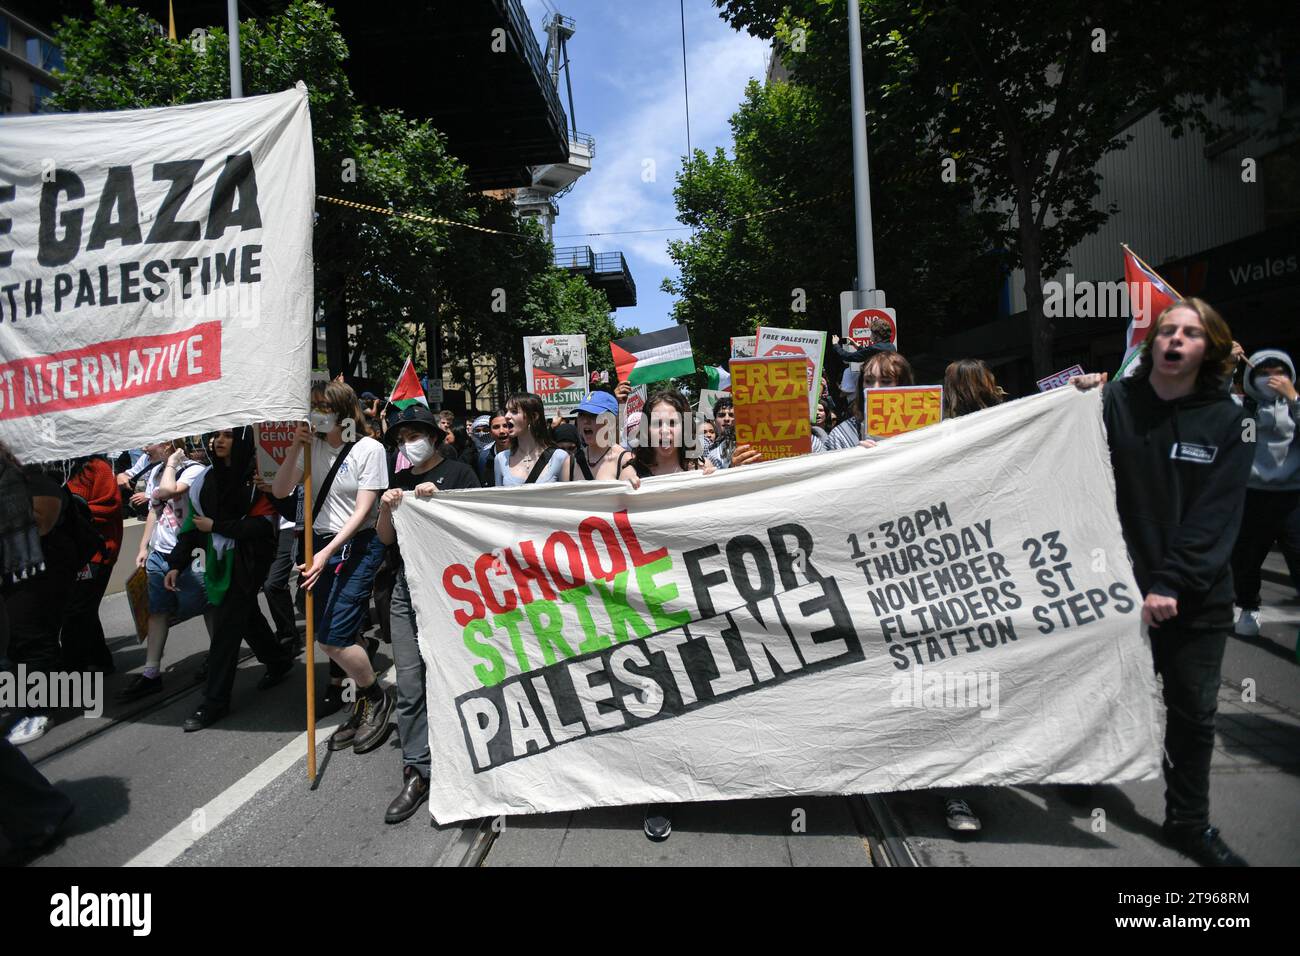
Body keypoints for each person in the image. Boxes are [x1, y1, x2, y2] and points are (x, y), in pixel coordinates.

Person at [1073, 297, 1252, 866]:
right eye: (1167, 330)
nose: (1175, 340)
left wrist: (1172, 584)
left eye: (1191, 333)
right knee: (1101, 693)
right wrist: (1073, 403)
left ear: (1211, 349)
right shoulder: (1114, 402)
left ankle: (1187, 823)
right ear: (1152, 344)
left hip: (1193, 599)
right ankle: (1083, 774)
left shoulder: (1231, 420)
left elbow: (1215, 514)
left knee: (1193, 715)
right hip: (1116, 590)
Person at [273, 380, 394, 754]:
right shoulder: (313, 448)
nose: (316, 412)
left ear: (342, 411)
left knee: (331, 637)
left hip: (356, 544)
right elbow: (279, 491)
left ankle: (376, 696)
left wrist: (326, 555)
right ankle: (360, 698)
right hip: (318, 542)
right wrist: (296, 446)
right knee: (329, 626)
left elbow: (363, 512)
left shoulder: (368, 448)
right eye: (311, 406)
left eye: (322, 406)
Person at [375, 404, 481, 823]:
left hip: (453, 592)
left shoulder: (460, 475)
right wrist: (386, 506)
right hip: (407, 589)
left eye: (413, 436)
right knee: (410, 679)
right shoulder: (399, 481)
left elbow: (476, 528)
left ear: (434, 437)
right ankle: (418, 769)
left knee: (457, 672)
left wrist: (443, 504)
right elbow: (386, 538)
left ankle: (468, 755)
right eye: (401, 439)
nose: (408, 445)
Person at [165, 428, 295, 731]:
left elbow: (263, 526)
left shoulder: (257, 478)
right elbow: (193, 526)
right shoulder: (204, 481)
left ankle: (214, 701)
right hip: (220, 559)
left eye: (228, 436)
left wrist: (218, 526)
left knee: (226, 625)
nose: (218, 442)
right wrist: (176, 563)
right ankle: (277, 660)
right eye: (215, 436)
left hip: (251, 559)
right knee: (244, 614)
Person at [2, 453, 87, 745]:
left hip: (41, 573)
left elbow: (42, 524)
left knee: (33, 639)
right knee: (15, 641)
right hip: (12, 572)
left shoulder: (41, 482)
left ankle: (38, 710)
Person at [118, 440, 210, 703]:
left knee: (208, 605)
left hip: (191, 553)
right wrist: (144, 545)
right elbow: (154, 510)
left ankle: (217, 658)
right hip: (161, 553)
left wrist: (171, 464)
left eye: (151, 444)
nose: (145, 449)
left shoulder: (194, 470)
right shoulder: (156, 473)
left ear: (169, 444)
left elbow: (169, 492)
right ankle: (151, 672)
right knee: (157, 611)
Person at [1230, 349, 1300, 635]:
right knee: (1246, 559)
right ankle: (1249, 608)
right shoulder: (1242, 406)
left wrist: (1293, 398)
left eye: (1279, 372)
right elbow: (1211, 399)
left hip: (1293, 497)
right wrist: (1227, 364)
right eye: (1265, 372)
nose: (1273, 378)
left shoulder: (1295, 404)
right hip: (1252, 495)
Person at [60, 455, 123, 674]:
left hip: (98, 552)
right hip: (74, 554)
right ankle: (101, 660)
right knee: (83, 610)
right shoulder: (62, 467)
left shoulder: (98, 467)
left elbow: (111, 505)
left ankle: (71, 673)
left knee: (75, 614)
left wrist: (71, 511)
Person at [822, 350, 915, 450]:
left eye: (886, 381)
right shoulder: (841, 436)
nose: (875, 388)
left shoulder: (922, 430)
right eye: (868, 381)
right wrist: (853, 458)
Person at [633, 391, 715, 479]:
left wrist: (713, 482)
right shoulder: (632, 473)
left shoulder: (703, 467)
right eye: (657, 423)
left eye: (672, 422)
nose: (664, 430)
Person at [495, 393, 570, 486]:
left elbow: (566, 499)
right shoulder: (501, 459)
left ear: (534, 416)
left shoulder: (559, 457)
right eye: (506, 411)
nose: (506, 416)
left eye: (514, 411)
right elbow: (498, 499)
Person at [564, 391, 639, 482]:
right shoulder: (570, 463)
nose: (585, 421)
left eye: (593, 415)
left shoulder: (626, 461)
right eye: (582, 415)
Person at [475, 411, 512, 486]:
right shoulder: (483, 457)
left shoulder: (524, 454)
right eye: (496, 427)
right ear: (490, 432)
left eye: (506, 426)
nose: (501, 431)